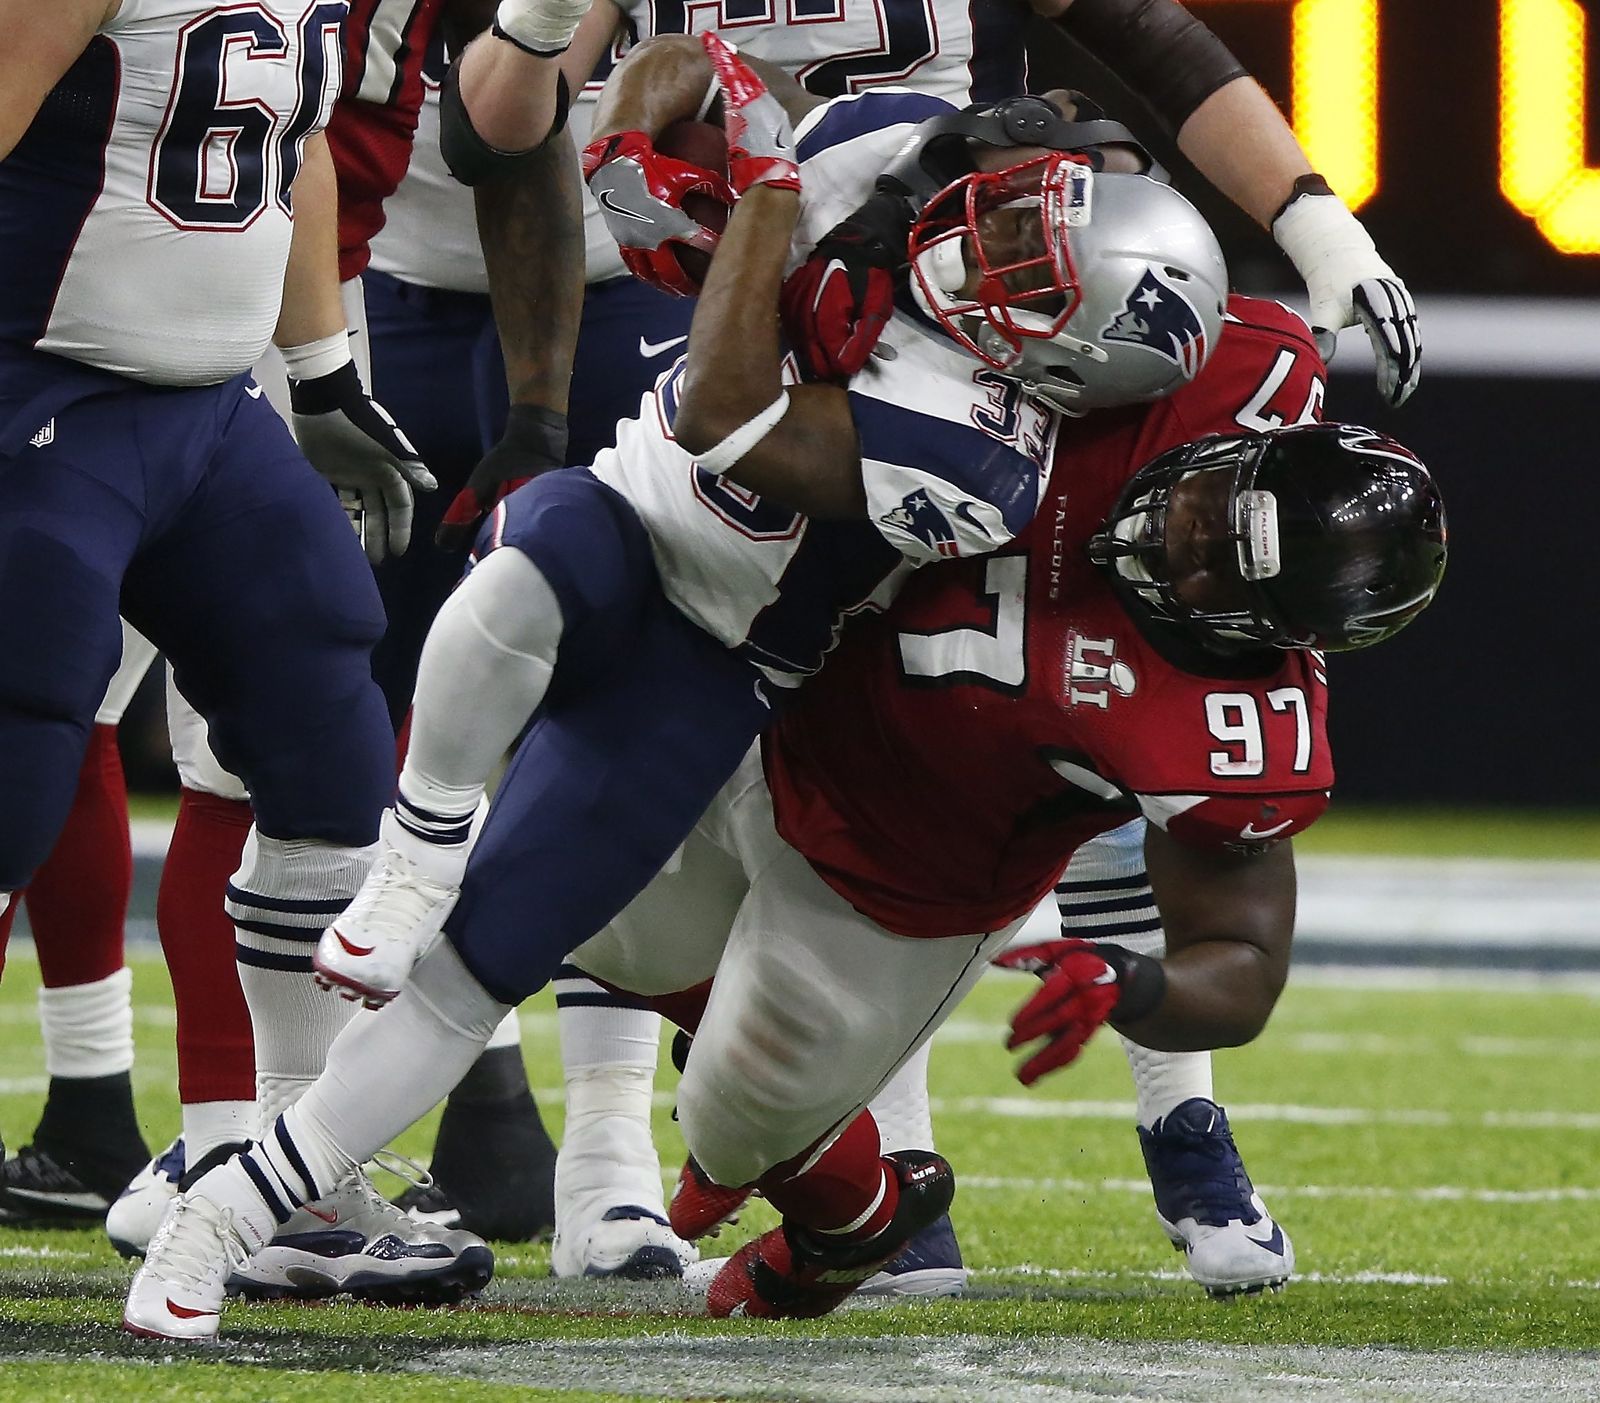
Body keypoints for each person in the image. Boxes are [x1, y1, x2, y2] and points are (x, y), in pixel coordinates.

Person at [121, 41, 1230, 1339]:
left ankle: (232, 1211)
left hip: (706, 658)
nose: (983, 250)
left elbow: (718, 404)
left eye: (1026, 274)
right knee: (528, 552)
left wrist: (765, 197)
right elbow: (650, 115)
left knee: (479, 971)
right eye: (1011, 219)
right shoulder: (893, 149)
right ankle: (420, 844)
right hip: (621, 511)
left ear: (1065, 370)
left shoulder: (981, 462)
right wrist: (657, 146)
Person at [560, 407, 1446, 1317]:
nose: (1189, 535)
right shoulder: (1179, 386)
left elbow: (1246, 966)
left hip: (911, 868)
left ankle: (851, 1212)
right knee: (577, 891)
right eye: (1219, 501)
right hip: (785, 699)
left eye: (1224, 567)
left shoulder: (1228, 727)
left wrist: (1130, 982)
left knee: (733, 1118)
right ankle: (731, 1116)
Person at [0, 0, 566, 1308]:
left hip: (206, 409)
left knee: (327, 722)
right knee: (21, 749)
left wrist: (316, 372)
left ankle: (285, 1164)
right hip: (41, 389)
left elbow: (295, 142)